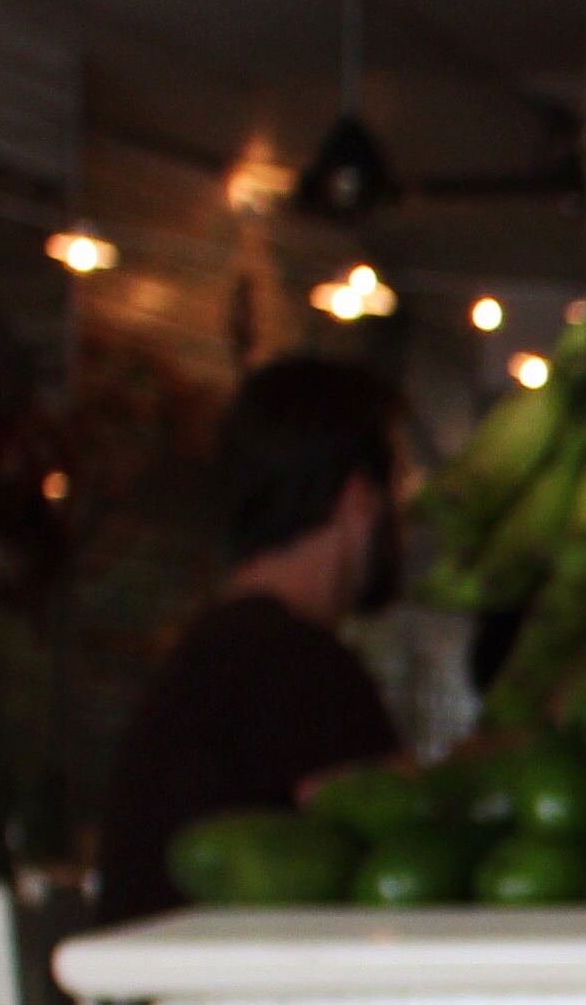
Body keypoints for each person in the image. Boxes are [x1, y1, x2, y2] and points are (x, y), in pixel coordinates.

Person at [94, 356, 409, 930]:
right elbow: (391, 871)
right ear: (359, 500)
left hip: (152, 983)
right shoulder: (302, 669)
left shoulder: (209, 655)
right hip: (216, 988)